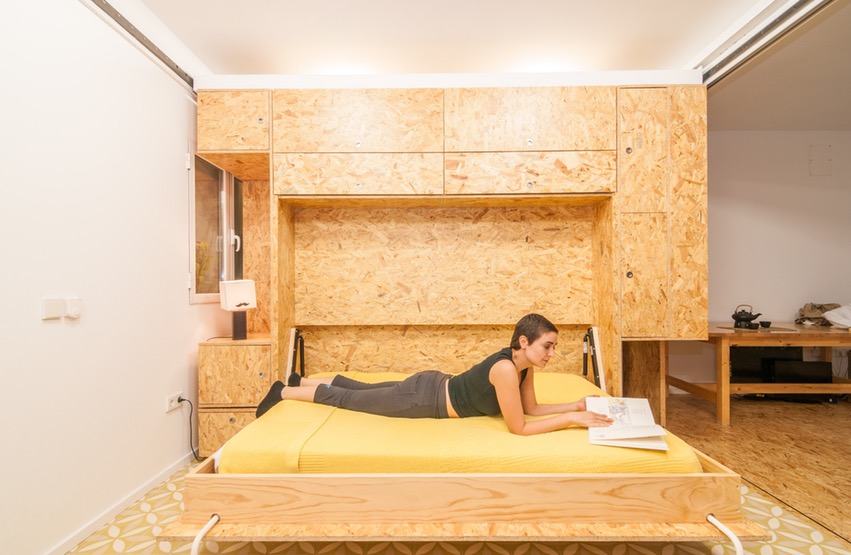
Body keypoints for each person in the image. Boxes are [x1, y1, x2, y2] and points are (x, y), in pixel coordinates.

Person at [255, 313, 614, 435]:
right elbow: (519, 427)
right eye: (547, 346)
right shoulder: (506, 369)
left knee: (363, 389)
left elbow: (531, 409)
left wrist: (575, 404)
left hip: (430, 385)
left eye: (553, 347)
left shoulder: (523, 367)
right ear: (524, 341)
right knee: (351, 399)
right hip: (424, 398)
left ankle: (301, 381)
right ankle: (283, 392)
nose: (552, 353)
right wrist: (571, 419)